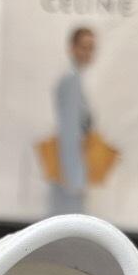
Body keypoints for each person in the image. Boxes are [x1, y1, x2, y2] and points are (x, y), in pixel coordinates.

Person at [50, 25, 96, 215]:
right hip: (70, 173)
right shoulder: (71, 80)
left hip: (71, 168)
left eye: (91, 48)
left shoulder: (75, 79)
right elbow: (69, 131)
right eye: (83, 47)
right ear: (72, 48)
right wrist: (75, 178)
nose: (87, 53)